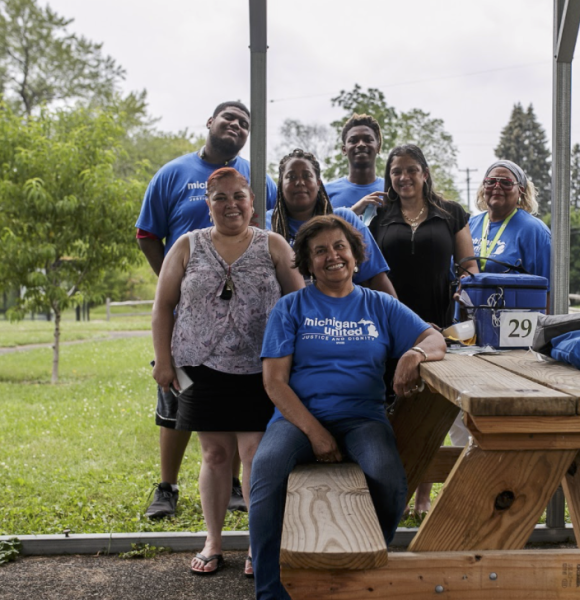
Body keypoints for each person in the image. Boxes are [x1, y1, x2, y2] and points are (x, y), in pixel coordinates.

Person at [249, 215, 446, 599]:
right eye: (319, 251)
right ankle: (271, 591)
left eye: (339, 247)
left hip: (362, 418)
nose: (332, 256)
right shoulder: (290, 308)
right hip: (297, 419)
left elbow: (434, 337)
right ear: (307, 262)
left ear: (356, 255)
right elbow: (274, 382)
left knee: (388, 481)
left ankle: (358, 576)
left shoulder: (380, 305)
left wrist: (416, 353)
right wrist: (316, 433)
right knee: (267, 474)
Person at [151, 167, 304, 576]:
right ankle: (213, 540)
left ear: (253, 203)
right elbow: (163, 305)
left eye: (239, 196)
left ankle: (259, 542)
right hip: (201, 367)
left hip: (262, 368)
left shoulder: (273, 244)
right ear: (208, 204)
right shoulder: (186, 245)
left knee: (255, 455)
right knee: (215, 454)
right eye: (220, 197)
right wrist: (163, 360)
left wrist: (299, 357)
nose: (230, 204)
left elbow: (300, 300)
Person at [136, 101, 279, 519]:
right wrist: (175, 283)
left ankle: (234, 487)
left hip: (247, 325)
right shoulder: (173, 174)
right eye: (228, 118)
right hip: (190, 319)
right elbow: (147, 233)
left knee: (236, 407)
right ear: (210, 123)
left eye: (244, 122)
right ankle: (167, 486)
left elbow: (273, 226)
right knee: (177, 402)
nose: (235, 125)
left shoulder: (260, 177)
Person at [368, 144, 478, 514]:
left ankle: (423, 495)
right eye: (396, 171)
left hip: (439, 323)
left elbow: (468, 265)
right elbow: (363, 262)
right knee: (394, 403)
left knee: (432, 406)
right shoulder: (380, 215)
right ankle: (392, 485)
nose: (404, 177)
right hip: (390, 320)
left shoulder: (451, 213)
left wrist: (469, 285)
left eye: (411, 170)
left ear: (425, 173)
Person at [450, 159, 552, 449]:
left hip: (513, 340)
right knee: (463, 406)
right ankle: (463, 467)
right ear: (483, 188)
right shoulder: (470, 224)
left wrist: (540, 342)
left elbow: (547, 290)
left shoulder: (533, 230)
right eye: (491, 181)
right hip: (468, 334)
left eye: (506, 182)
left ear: (520, 190)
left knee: (503, 407)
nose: (497, 187)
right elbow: (456, 272)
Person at [266, 148, 396, 296]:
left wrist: (398, 318)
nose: (300, 182)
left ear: (318, 184)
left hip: (346, 313)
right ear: (281, 185)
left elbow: (375, 278)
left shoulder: (345, 219)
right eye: (291, 176)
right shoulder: (267, 224)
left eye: (307, 175)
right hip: (288, 315)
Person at [326, 113, 386, 222]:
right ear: (344, 149)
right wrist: (352, 212)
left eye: (368, 139)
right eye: (353, 141)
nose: (361, 144)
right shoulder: (326, 193)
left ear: (378, 147)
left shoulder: (391, 189)